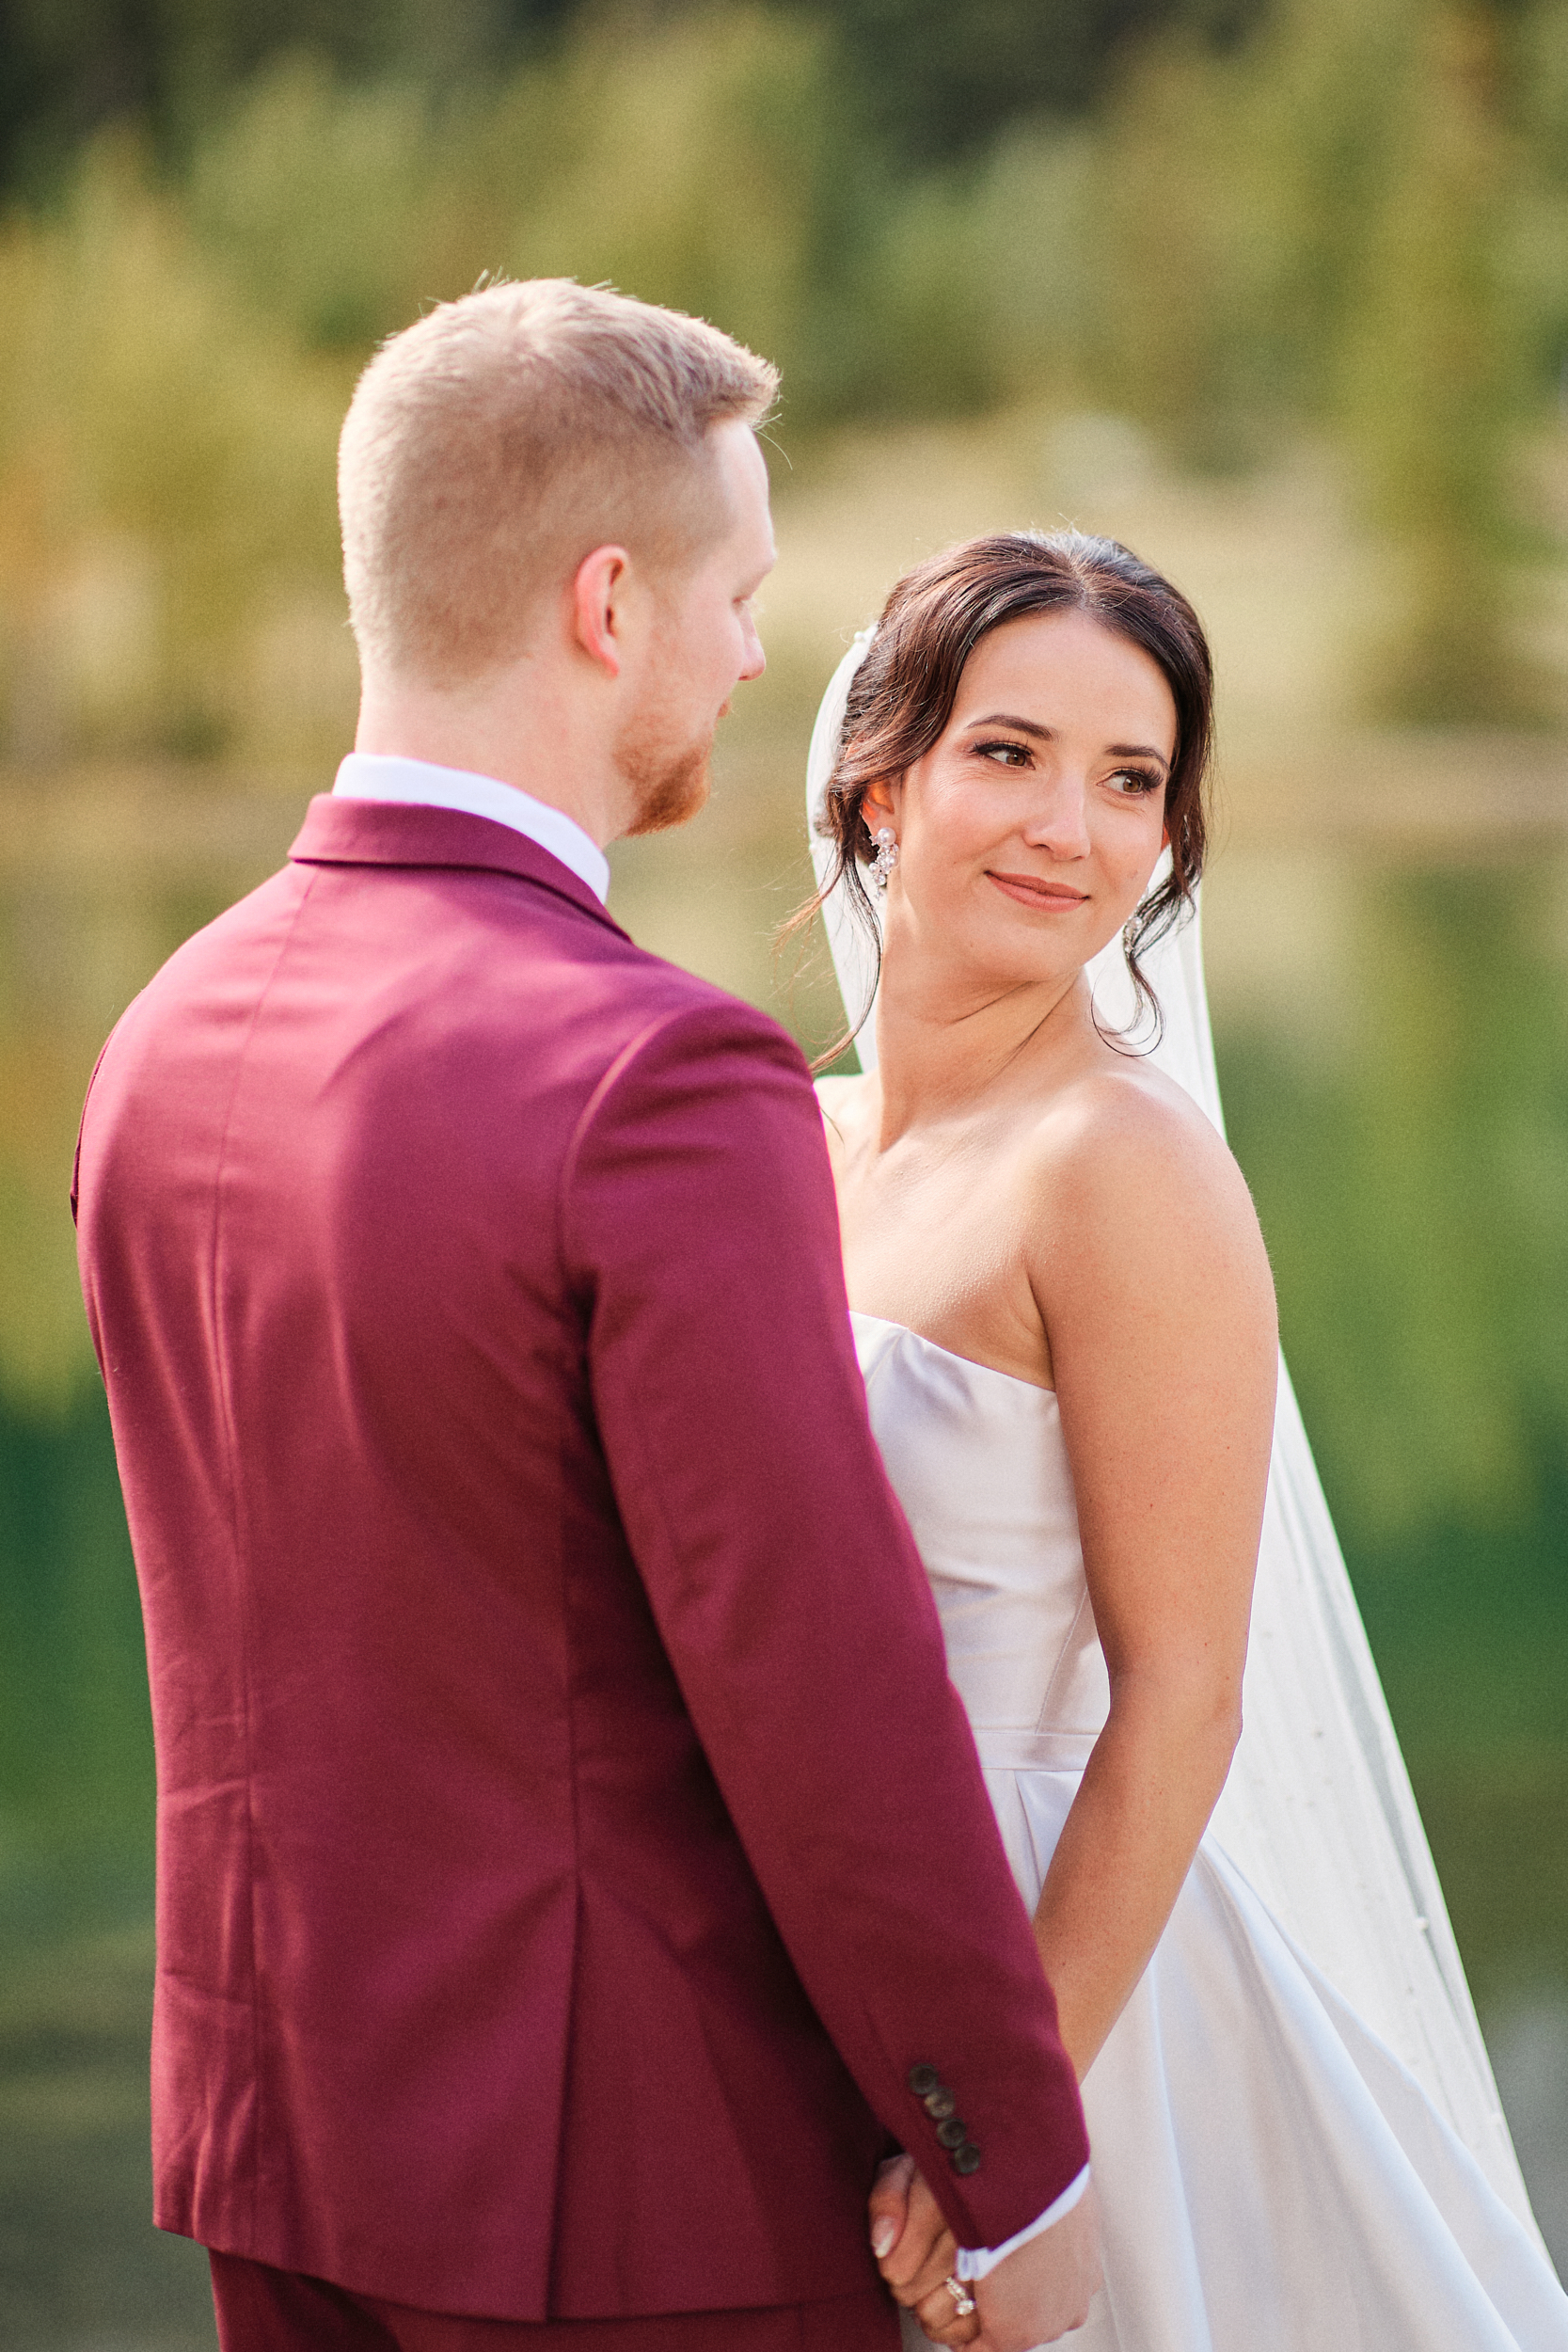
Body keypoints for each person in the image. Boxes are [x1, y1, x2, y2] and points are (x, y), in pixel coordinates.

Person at [71, 287, 1100, 2352]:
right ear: (608, 602)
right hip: (631, 2193)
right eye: (737, 594)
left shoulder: (162, 1033)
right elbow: (820, 1682)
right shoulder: (654, 1078)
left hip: (278, 2139)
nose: (751, 656)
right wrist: (1014, 2160)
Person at [807, 531, 1568, 2350]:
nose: (1071, 826)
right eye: (1009, 752)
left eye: (1131, 778)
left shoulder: (1125, 1172)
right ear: (877, 785)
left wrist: (1008, 2132)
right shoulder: (797, 1141)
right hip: (836, 1916)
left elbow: (1184, 1701)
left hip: (1068, 1978)